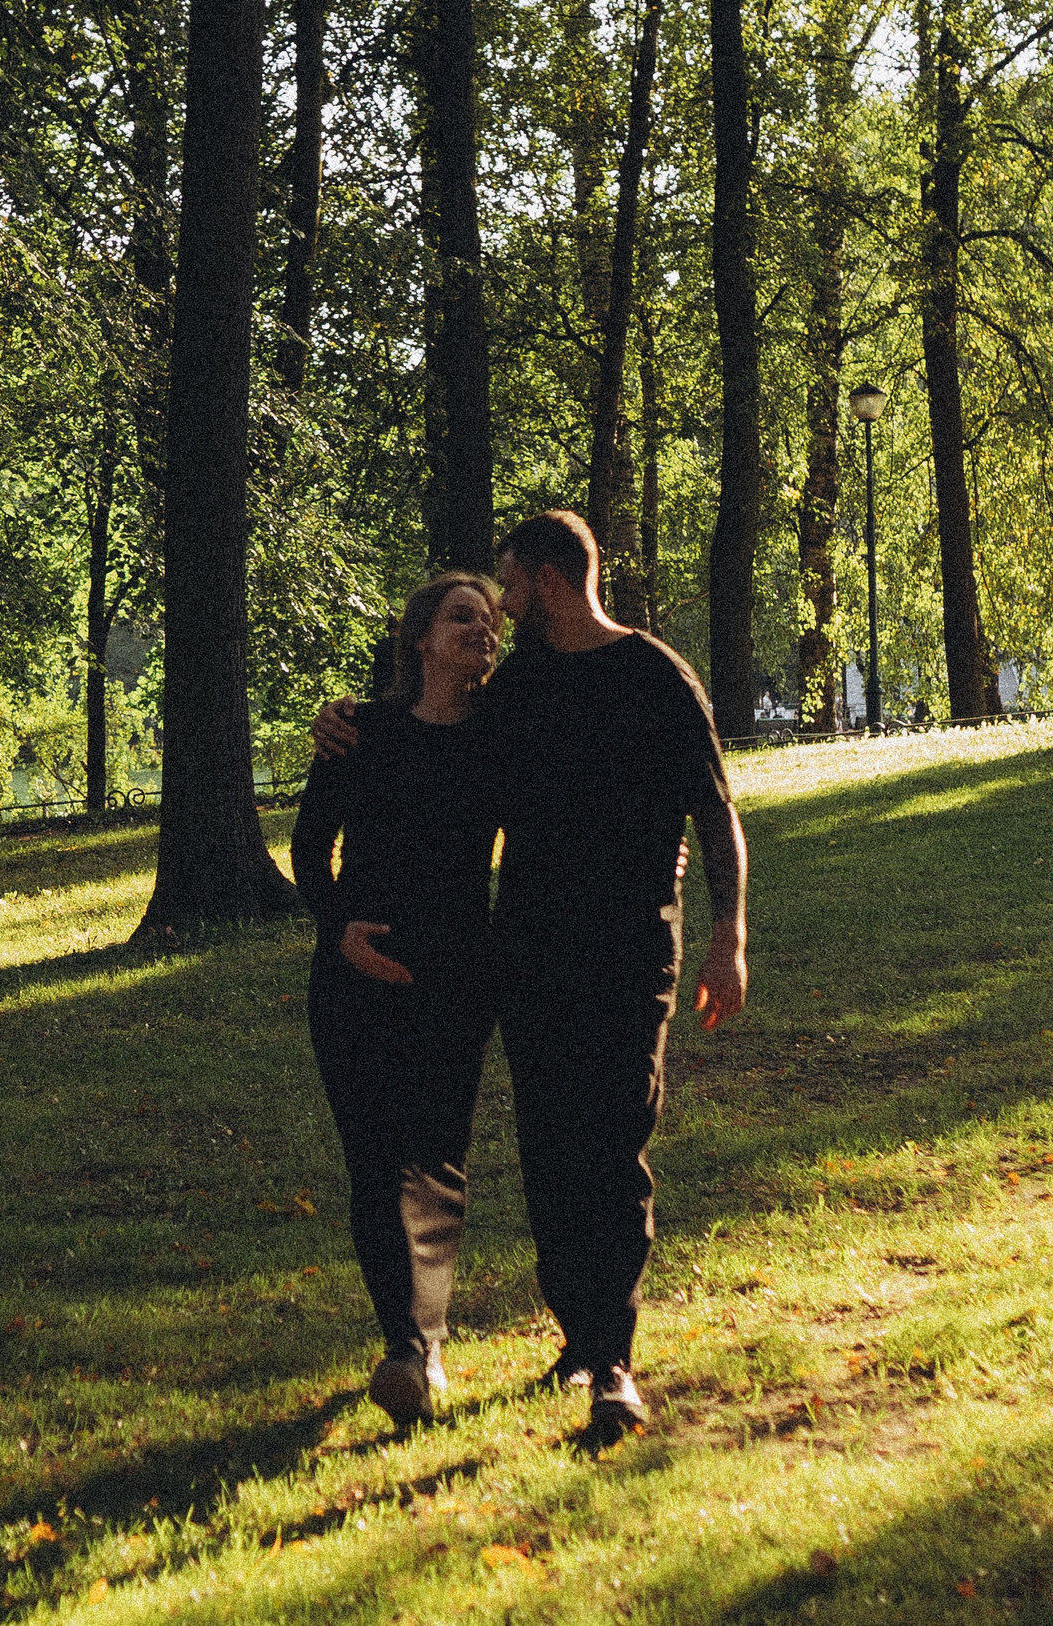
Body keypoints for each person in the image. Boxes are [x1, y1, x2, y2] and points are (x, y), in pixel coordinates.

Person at [313, 510, 748, 1443]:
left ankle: (614, 1360)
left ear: (548, 579)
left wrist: (729, 933)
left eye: (508, 586)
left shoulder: (655, 675)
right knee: (551, 1155)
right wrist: (345, 724)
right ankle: (581, 1336)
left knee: (614, 1146)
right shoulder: (516, 691)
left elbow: (713, 809)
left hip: (632, 953)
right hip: (530, 957)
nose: (503, 607)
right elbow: (438, 760)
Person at [292, 573, 503, 1426]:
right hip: (353, 975)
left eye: (491, 623)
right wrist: (339, 929)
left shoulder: (500, 736)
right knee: (375, 1163)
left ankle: (427, 1343)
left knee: (437, 1163)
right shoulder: (361, 731)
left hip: (455, 975)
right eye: (462, 617)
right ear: (419, 637)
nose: (481, 632)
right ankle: (405, 1347)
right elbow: (311, 847)